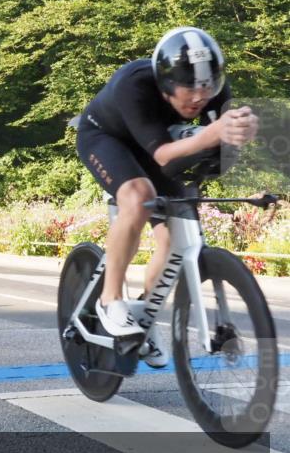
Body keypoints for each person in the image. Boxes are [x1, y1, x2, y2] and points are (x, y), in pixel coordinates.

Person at [76, 26, 258, 367]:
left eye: (207, 90)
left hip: (164, 145)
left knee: (177, 233)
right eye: (188, 91)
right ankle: (110, 299)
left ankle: (144, 315)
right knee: (137, 194)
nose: (198, 99)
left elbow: (217, 147)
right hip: (108, 139)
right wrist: (214, 132)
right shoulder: (136, 84)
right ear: (165, 85)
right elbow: (162, 156)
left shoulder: (212, 90)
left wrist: (242, 136)